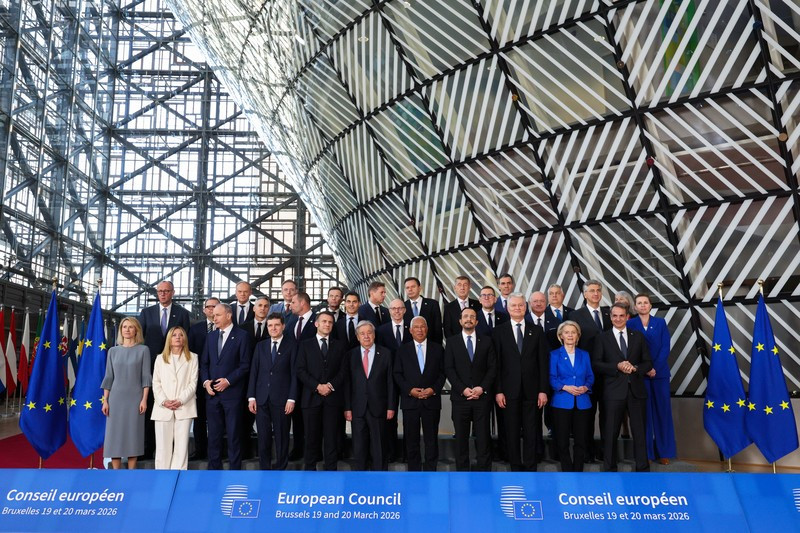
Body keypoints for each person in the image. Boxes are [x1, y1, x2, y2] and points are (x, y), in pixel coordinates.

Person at [592, 303, 653, 472]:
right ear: (610, 317)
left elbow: (648, 362)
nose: (618, 319)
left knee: (640, 432)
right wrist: (616, 366)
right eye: (614, 316)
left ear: (627, 317)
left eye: (621, 316)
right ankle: (610, 468)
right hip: (613, 392)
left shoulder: (638, 336)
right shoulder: (602, 338)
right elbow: (596, 364)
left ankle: (642, 468)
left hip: (636, 391)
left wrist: (635, 368)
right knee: (610, 432)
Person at [494, 293, 550, 471]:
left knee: (532, 430)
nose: (517, 308)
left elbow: (543, 363)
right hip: (508, 391)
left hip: (532, 391)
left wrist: (543, 390)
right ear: (507, 308)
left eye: (520, 305)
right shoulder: (499, 331)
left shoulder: (537, 331)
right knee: (511, 431)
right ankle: (515, 467)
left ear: (525, 307)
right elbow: (496, 364)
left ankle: (530, 466)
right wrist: (498, 390)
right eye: (514, 306)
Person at [138, 280, 190, 458]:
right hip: (151, 366)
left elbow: (185, 340)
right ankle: (147, 449)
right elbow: (140, 339)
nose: (162, 294)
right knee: (152, 407)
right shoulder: (146, 313)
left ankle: (173, 451)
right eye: (160, 291)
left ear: (172, 292)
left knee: (173, 408)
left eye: (166, 291)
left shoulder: (182, 313)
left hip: (175, 368)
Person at [444, 307, 496, 471]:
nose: (468, 319)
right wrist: (463, 389)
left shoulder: (487, 341)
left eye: (472, 317)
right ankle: (462, 473)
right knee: (461, 438)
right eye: (465, 316)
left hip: (482, 398)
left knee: (483, 438)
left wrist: (482, 388)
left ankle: (484, 473)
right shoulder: (452, 342)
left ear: (477, 321)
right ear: (460, 321)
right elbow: (449, 369)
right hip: (461, 398)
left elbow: (492, 368)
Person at [200, 303, 252, 470]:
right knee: (214, 435)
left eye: (218, 315)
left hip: (233, 394)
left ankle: (234, 470)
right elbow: (204, 363)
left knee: (234, 433)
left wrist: (228, 381)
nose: (214, 318)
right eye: (213, 315)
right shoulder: (211, 336)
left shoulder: (242, 336)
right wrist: (206, 382)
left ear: (228, 316)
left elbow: (245, 365)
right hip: (212, 394)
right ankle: (213, 470)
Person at [296, 311, 348, 470]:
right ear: (316, 324)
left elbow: (343, 371)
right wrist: (318, 386)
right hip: (311, 398)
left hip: (333, 399)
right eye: (324, 321)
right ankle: (309, 471)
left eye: (330, 322)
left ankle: (331, 471)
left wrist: (330, 386)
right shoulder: (305, 345)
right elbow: (300, 370)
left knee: (332, 438)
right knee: (311, 437)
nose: (327, 324)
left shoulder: (340, 345)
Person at [629, 293, 676, 465]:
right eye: (639, 303)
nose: (642, 305)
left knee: (663, 413)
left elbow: (665, 347)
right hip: (640, 375)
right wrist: (645, 369)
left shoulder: (660, 323)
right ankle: (646, 453)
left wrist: (654, 367)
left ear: (650, 305)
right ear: (635, 307)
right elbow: (630, 350)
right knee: (644, 415)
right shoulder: (630, 324)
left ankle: (664, 452)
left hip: (659, 374)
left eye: (645, 302)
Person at [393, 316, 445, 471]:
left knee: (431, 439)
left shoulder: (438, 349)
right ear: (410, 330)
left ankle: (431, 471)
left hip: (431, 401)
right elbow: (397, 374)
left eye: (422, 327)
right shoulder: (402, 350)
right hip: (410, 402)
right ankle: (414, 472)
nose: (420, 330)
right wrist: (410, 390)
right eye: (416, 327)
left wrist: (433, 389)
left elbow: (443, 373)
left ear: (427, 329)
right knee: (411, 440)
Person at [247, 313, 297, 470]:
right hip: (261, 398)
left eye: (276, 325)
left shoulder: (292, 346)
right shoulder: (260, 346)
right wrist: (251, 397)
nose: (273, 328)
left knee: (282, 436)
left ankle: (281, 468)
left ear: (283, 326)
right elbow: (254, 372)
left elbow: (295, 374)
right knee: (263, 436)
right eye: (270, 325)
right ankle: (265, 468)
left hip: (282, 400)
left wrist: (291, 398)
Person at [101, 317, 152, 470]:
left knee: (133, 434)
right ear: (120, 330)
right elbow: (109, 377)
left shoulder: (143, 350)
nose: (127, 330)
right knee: (114, 435)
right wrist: (105, 400)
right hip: (115, 399)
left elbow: (146, 377)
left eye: (131, 327)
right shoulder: (113, 351)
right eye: (124, 327)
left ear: (136, 330)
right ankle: (116, 473)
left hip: (135, 399)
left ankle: (131, 473)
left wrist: (144, 399)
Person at [345, 321, 395, 470]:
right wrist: (347, 408)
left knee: (379, 446)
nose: (366, 336)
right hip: (357, 408)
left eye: (369, 332)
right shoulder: (350, 355)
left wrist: (391, 406)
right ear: (357, 337)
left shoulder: (386, 354)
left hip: (379, 407)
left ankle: (380, 477)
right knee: (359, 446)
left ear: (374, 335)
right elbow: (347, 383)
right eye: (362, 333)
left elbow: (390, 382)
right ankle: (360, 477)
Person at [570, 279, 611, 461]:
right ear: (585, 294)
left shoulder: (609, 314)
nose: (595, 293)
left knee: (607, 415)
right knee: (586, 415)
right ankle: (587, 453)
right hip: (586, 373)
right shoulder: (575, 315)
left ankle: (606, 453)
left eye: (598, 290)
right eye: (592, 290)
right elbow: (572, 344)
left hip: (608, 373)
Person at [151, 326, 198, 470]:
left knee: (181, 447)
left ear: (185, 339)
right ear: (169, 339)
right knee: (162, 448)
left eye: (181, 335)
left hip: (184, 407)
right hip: (163, 408)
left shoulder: (193, 357)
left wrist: (180, 400)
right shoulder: (160, 359)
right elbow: (156, 383)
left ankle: (178, 475)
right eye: (174, 335)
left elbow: (193, 383)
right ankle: (162, 477)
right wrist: (164, 401)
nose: (178, 337)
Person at [549, 321, 594, 472]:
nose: (570, 335)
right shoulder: (554, 355)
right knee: (562, 440)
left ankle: (578, 470)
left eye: (573, 332)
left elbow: (590, 376)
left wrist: (586, 387)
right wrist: (565, 387)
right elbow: (552, 378)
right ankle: (567, 471)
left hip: (582, 402)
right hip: (562, 401)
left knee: (581, 440)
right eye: (566, 332)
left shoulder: (584, 355)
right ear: (561, 336)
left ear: (578, 336)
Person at [187, 297, 219, 460]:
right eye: (209, 307)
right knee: (199, 417)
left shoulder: (227, 328)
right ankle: (200, 450)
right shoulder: (195, 329)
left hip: (220, 379)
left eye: (215, 306)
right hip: (200, 378)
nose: (212, 309)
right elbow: (190, 353)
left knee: (218, 418)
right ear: (204, 310)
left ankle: (217, 451)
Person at [403, 277, 443, 344]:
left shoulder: (432, 304)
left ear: (419, 288)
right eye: (407, 288)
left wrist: (437, 347)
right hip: (409, 346)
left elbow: (437, 328)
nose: (410, 289)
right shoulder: (402, 307)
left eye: (413, 287)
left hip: (430, 345)